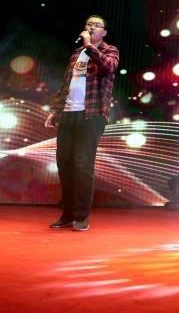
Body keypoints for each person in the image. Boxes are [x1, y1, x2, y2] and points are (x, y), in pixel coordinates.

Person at [45, 15, 119, 231]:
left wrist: (89, 46)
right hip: (68, 114)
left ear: (104, 32)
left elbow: (108, 67)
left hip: (92, 114)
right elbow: (66, 85)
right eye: (89, 24)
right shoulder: (76, 54)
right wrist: (56, 111)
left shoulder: (109, 50)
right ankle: (67, 213)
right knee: (64, 164)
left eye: (97, 25)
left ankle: (81, 215)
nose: (92, 27)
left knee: (82, 164)